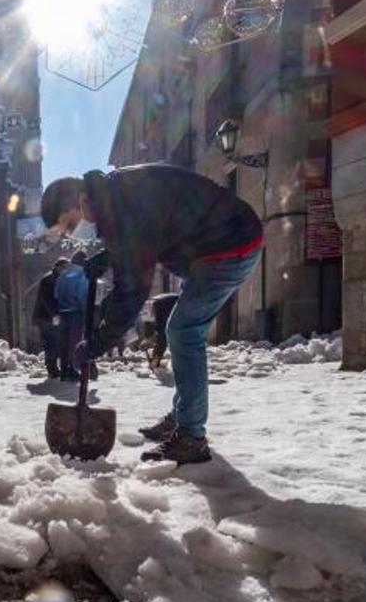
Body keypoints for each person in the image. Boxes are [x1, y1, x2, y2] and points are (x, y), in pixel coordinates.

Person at [41, 164, 262, 465]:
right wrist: (107, 258)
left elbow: (132, 288)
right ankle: (184, 418)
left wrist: (99, 341)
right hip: (211, 245)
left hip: (230, 242)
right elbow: (143, 239)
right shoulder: (115, 196)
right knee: (180, 329)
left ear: (80, 201)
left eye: (69, 225)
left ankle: (191, 437)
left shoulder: (123, 206)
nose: (73, 234)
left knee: (183, 331)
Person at [54, 251, 89, 382]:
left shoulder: (62, 274)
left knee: (64, 342)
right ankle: (72, 370)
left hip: (63, 312)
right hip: (76, 312)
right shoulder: (82, 274)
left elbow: (56, 294)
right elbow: (82, 295)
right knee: (75, 342)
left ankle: (63, 370)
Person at [33, 258, 69, 379]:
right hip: (45, 317)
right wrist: (55, 315)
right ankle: (52, 369)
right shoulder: (48, 279)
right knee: (50, 342)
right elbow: (46, 300)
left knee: (55, 342)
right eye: (65, 268)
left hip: (52, 317)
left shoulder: (59, 279)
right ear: (58, 267)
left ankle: (54, 368)